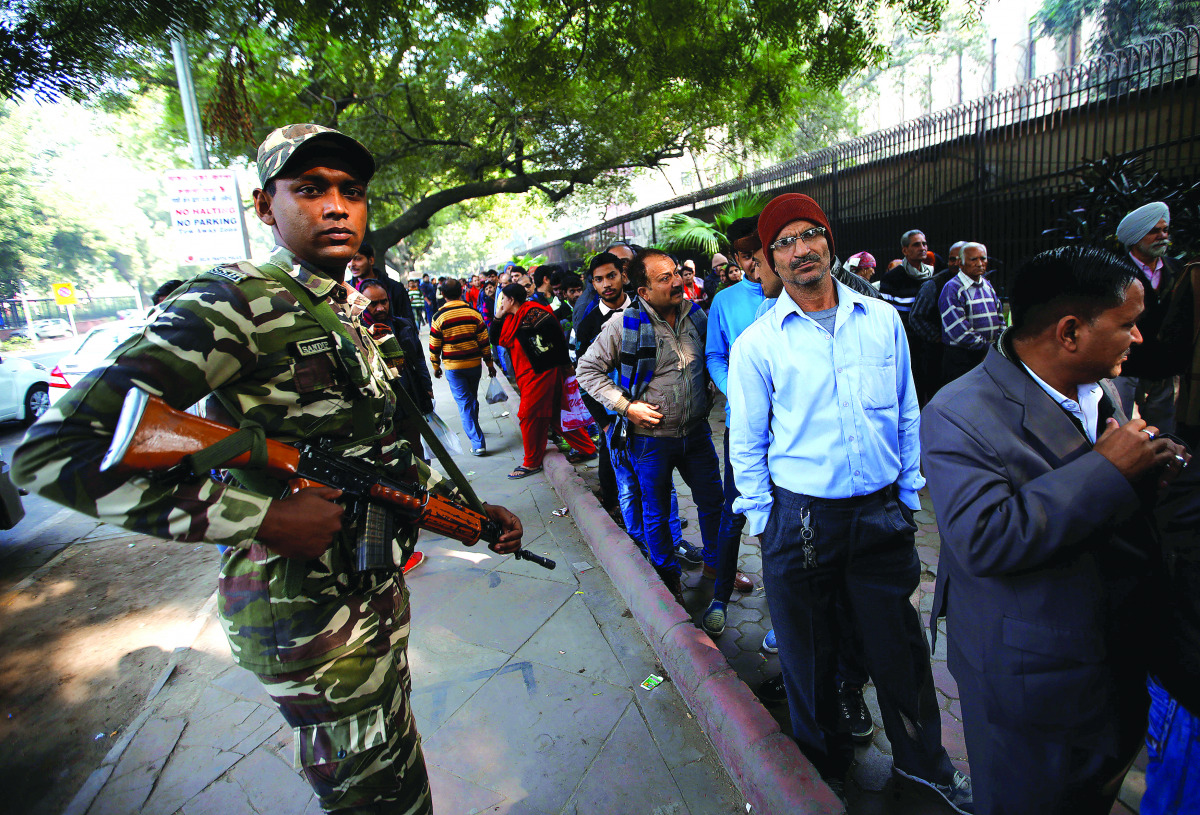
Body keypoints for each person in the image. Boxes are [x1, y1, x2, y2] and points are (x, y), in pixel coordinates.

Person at [12, 123, 523, 814]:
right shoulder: (233, 301)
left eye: (352, 191)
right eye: (309, 189)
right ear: (264, 206)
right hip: (306, 617)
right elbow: (57, 449)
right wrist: (264, 516)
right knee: (378, 801)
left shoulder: (337, 304)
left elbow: (366, 449)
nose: (337, 206)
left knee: (396, 777)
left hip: (367, 592)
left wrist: (458, 509)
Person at [922, 245, 1188, 815]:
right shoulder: (957, 413)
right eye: (1128, 325)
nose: (1138, 339)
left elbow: (1104, 508)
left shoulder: (1109, 388)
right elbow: (984, 536)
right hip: (1032, 684)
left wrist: (1144, 475)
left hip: (1112, 664)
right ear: (1070, 332)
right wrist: (1109, 467)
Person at [728, 193, 969, 808]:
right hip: (800, 519)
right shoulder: (759, 343)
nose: (800, 249)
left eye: (809, 234)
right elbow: (747, 443)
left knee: (902, 652)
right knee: (809, 656)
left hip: (883, 513)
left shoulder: (880, 319)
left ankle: (923, 771)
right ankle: (820, 769)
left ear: (829, 242)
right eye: (784, 241)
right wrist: (763, 517)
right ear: (769, 260)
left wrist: (909, 494)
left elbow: (908, 412)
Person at [577, 249, 722, 604]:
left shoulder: (697, 315)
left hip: (698, 434)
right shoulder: (622, 325)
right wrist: (626, 407)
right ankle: (667, 576)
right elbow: (586, 370)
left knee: (714, 505)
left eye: (676, 273)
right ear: (643, 291)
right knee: (655, 510)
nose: (677, 281)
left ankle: (719, 570)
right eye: (664, 278)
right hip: (650, 441)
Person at [702, 215, 768, 638]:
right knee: (733, 512)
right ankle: (720, 595)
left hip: (790, 429)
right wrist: (737, 393)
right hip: (742, 424)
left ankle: (784, 611)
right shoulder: (725, 302)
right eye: (743, 254)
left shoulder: (793, 294)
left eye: (755, 252)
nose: (750, 262)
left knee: (781, 518)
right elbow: (714, 356)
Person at [360, 278, 435, 575]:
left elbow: (417, 361)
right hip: (380, 416)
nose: (379, 308)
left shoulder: (402, 325)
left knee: (415, 459)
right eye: (372, 303)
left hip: (408, 405)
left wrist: (426, 390)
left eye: (383, 302)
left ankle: (421, 506)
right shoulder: (356, 332)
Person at [493, 282, 596, 478]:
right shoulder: (510, 318)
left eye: (503, 299)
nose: (500, 302)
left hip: (542, 372)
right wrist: (498, 315)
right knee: (556, 414)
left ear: (511, 299)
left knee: (528, 416)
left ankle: (531, 463)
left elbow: (556, 340)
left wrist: (566, 367)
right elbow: (496, 338)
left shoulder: (534, 313)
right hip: (527, 374)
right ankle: (587, 448)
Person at [1112, 202, 1184, 433]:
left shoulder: (1178, 270)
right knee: (1119, 427)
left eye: (1165, 230)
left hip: (1164, 367)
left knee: (1163, 432)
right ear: (1136, 237)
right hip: (1125, 366)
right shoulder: (1115, 271)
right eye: (1154, 231)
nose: (1162, 236)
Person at [428, 278, 495, 457]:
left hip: (453, 367)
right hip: (474, 364)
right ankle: (476, 429)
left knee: (465, 403)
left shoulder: (438, 316)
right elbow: (484, 341)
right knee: (471, 399)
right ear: (462, 291)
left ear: (442, 294)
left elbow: (434, 344)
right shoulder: (473, 313)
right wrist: (489, 363)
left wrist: (435, 365)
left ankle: (477, 442)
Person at [879, 229, 936, 403]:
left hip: (932, 344)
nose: (922, 248)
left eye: (924, 243)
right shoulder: (892, 279)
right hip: (909, 344)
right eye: (916, 244)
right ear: (905, 250)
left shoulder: (934, 275)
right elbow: (887, 315)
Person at [938, 242, 1004, 383]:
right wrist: (988, 348)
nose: (980, 263)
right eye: (973, 259)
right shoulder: (952, 288)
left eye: (983, 258)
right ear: (961, 264)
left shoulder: (987, 285)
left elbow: (1000, 318)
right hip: (962, 360)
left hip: (988, 356)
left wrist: (997, 345)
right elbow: (958, 330)